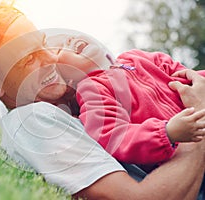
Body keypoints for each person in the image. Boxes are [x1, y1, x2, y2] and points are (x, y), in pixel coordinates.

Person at [0, 2, 205, 199]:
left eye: (42, 44)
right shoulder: (32, 121)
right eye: (28, 59)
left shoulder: (74, 99)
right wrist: (199, 112)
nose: (50, 58)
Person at [46, 34, 205, 169]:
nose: (69, 40)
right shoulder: (92, 90)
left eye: (68, 36)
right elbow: (113, 134)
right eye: (59, 49)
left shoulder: (137, 57)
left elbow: (192, 78)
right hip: (181, 158)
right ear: (68, 81)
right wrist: (167, 133)